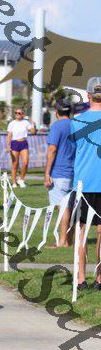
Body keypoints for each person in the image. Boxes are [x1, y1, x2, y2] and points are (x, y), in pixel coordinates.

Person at [71, 77, 101, 291]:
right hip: (92, 184)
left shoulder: (77, 121)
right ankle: (99, 278)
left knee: (82, 232)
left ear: (89, 95)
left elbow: (72, 152)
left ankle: (81, 278)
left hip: (83, 184)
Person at [44, 98, 75, 247]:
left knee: (63, 207)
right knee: (72, 207)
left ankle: (63, 241)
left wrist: (47, 173)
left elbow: (52, 149)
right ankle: (70, 239)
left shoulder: (57, 126)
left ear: (56, 112)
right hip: (74, 172)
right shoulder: (76, 125)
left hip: (59, 173)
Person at [6, 109, 36, 188]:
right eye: (16, 113)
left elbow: (33, 132)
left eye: (19, 113)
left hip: (23, 143)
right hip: (14, 143)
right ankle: (14, 182)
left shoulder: (26, 122)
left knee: (25, 162)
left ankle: (21, 180)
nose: (17, 114)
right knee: (15, 163)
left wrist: (33, 125)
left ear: (23, 114)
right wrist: (8, 146)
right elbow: (9, 135)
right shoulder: (12, 123)